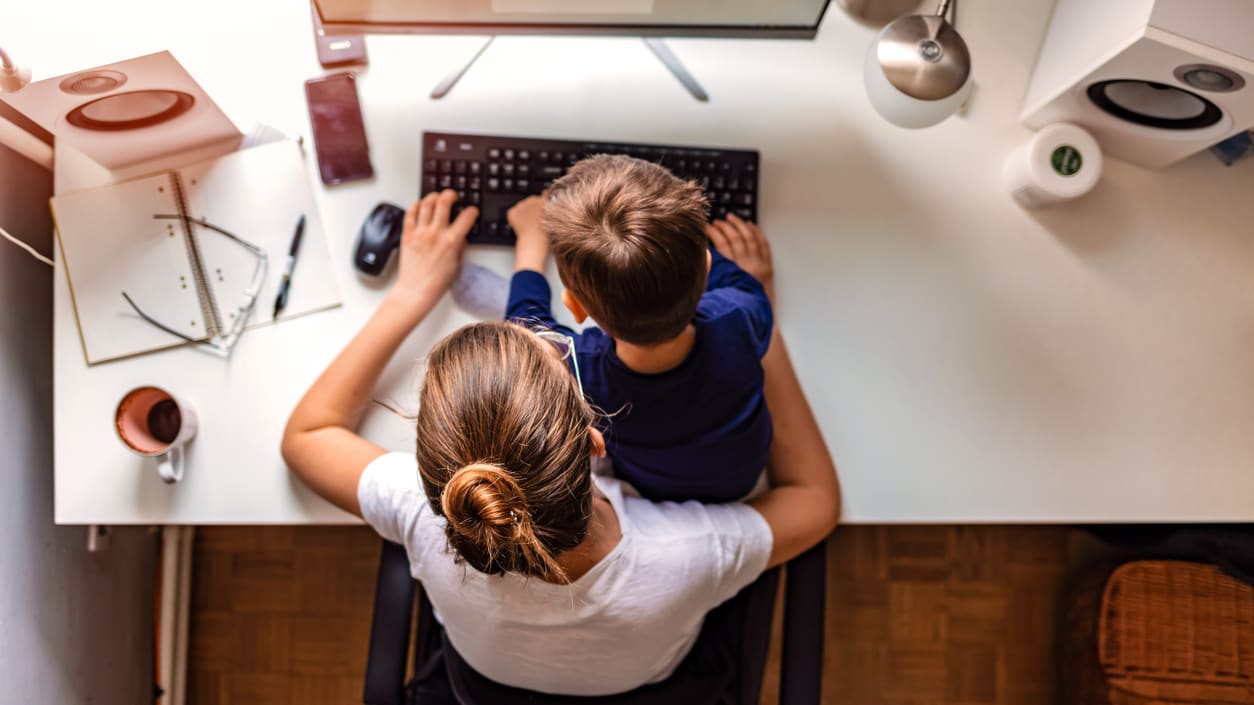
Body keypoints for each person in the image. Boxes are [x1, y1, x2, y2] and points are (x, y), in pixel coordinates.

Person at [281, 189, 839, 697]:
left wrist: (412, 292)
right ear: (597, 441)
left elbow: (306, 436)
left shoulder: (428, 515)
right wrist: (758, 332)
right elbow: (815, 500)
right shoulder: (686, 554)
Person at [506, 155, 773, 503]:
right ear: (707, 269)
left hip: (652, 489)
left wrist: (529, 245)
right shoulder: (742, 311)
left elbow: (524, 331)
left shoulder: (580, 371)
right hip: (739, 480)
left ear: (575, 307)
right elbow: (736, 283)